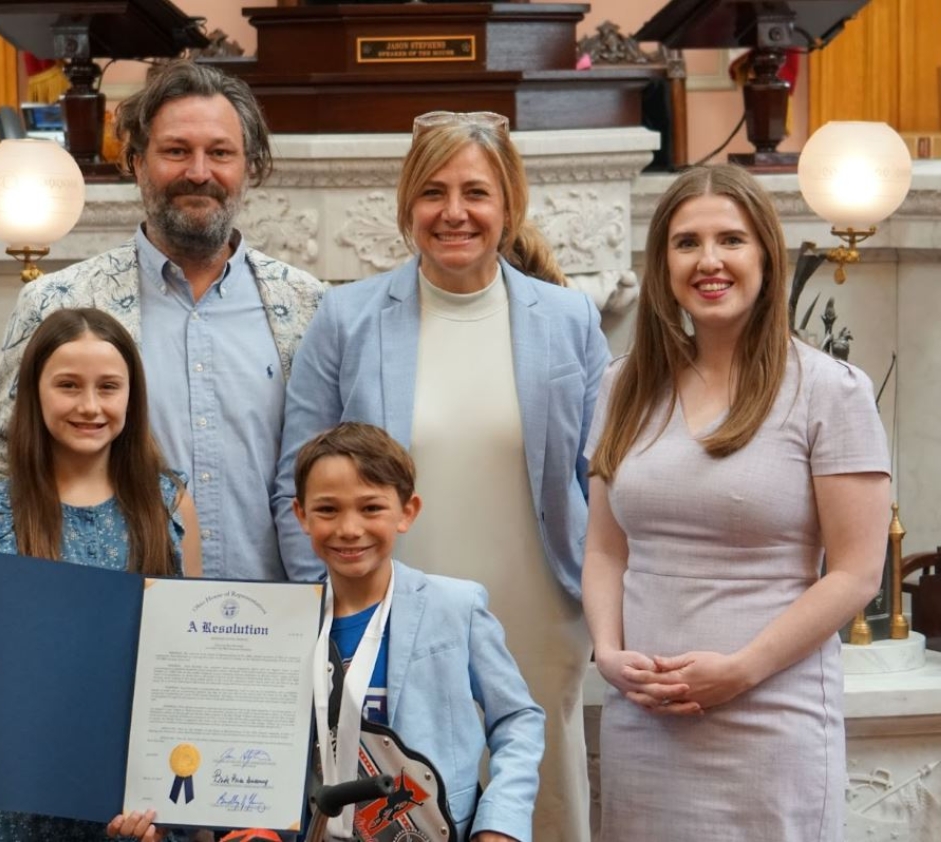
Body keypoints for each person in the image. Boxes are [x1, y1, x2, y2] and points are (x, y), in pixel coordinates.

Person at [273, 111, 608, 840]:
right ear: (406, 208)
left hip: (539, 607)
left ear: (508, 206)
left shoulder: (569, 318)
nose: (454, 212)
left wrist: (602, 605)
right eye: (433, 192)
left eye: (476, 193)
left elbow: (598, 481)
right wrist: (328, 616)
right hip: (386, 615)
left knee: (539, 801)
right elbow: (291, 481)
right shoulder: (347, 318)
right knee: (404, 802)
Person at [0, 60, 325, 614]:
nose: (199, 171)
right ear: (136, 162)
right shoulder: (59, 302)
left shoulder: (307, 305)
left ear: (249, 165)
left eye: (221, 152)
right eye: (176, 151)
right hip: (111, 627)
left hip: (275, 621)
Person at [582, 164, 890, 841]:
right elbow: (606, 547)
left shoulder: (830, 391)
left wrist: (741, 670)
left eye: (732, 240)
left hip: (771, 718)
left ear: (766, 256)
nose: (709, 261)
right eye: (687, 242)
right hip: (644, 718)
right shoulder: (622, 386)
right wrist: (607, 652)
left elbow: (856, 574)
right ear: (662, 262)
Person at [0, 308, 199, 842]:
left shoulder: (169, 504)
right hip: (14, 809)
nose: (90, 405)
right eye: (68, 386)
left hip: (128, 809)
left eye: (108, 387)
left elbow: (187, 660)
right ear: (33, 394)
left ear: (132, 397)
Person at [292, 422, 544, 842]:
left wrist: (501, 821)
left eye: (371, 508)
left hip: (432, 830)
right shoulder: (287, 622)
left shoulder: (456, 607)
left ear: (407, 512)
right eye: (327, 510)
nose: (350, 528)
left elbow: (518, 718)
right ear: (301, 515)